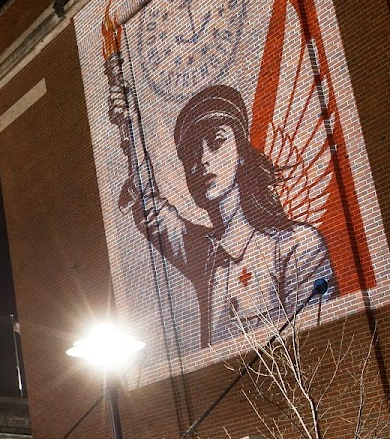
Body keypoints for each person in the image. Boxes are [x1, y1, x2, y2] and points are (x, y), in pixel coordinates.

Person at [123, 84, 333, 348]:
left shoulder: (297, 246)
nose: (202, 160)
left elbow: (316, 340)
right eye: (190, 154)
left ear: (242, 155)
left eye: (216, 141)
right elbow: (150, 210)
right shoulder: (206, 252)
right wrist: (130, 127)